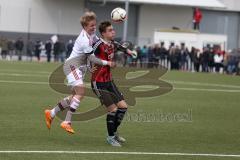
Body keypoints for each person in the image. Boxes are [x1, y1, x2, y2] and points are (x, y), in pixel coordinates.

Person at [44, 11, 115, 134]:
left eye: (94, 25)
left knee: (74, 97)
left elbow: (99, 44)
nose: (94, 28)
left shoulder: (91, 36)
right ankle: (67, 122)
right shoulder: (84, 40)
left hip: (78, 67)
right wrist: (107, 63)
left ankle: (51, 113)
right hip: (72, 66)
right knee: (81, 92)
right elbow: (92, 58)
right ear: (85, 27)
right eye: (91, 26)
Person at [91, 21, 135, 147]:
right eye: (110, 30)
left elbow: (120, 46)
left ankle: (114, 132)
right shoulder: (98, 44)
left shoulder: (112, 43)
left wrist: (129, 52)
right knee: (113, 110)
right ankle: (110, 138)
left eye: (113, 29)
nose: (113, 32)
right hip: (98, 83)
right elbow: (88, 56)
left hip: (109, 81)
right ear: (103, 33)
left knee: (123, 107)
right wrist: (89, 67)